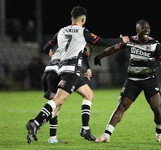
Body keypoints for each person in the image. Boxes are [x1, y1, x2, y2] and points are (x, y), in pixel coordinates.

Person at [26, 6, 129, 144]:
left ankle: (81, 130)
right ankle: (36, 123)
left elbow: (46, 48)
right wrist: (121, 40)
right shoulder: (82, 31)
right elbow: (103, 42)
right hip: (71, 70)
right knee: (58, 101)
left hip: (59, 69)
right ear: (83, 19)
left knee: (88, 95)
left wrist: (50, 53)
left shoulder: (61, 30)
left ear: (71, 19)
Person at [94, 19, 161, 143]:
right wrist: (100, 56)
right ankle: (106, 136)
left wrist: (156, 63)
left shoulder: (155, 44)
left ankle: (159, 135)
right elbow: (113, 48)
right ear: (137, 29)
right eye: (143, 28)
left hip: (149, 79)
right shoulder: (130, 41)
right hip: (133, 80)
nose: (146, 30)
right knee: (121, 106)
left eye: (148, 28)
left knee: (157, 108)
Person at [41, 42, 93, 144]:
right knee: (88, 95)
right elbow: (84, 53)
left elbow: (47, 47)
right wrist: (88, 67)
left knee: (55, 106)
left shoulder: (63, 43)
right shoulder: (79, 44)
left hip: (48, 73)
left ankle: (52, 137)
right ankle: (36, 123)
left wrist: (48, 50)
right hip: (65, 73)